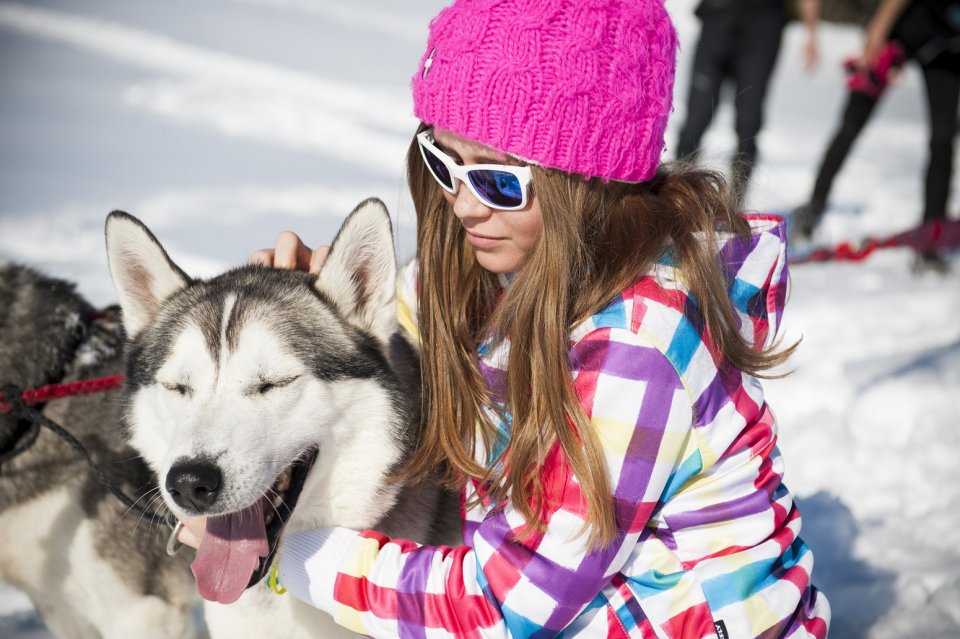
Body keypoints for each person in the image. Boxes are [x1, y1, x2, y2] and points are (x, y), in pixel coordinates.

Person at [181, 1, 831, 636]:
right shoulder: (513, 261)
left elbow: (501, 608)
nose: (463, 205)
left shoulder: (636, 347)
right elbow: (403, 314)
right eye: (443, 162)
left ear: (585, 183)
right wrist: (317, 308)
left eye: (498, 182)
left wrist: (293, 555)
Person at [792, 0, 960, 273]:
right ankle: (814, 206)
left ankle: (931, 237)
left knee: (942, 136)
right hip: (902, 28)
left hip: (946, 45)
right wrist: (877, 32)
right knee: (851, 124)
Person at [675, 0, 821, 206]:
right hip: (717, 17)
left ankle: (734, 208)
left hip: (762, 25)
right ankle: (678, 202)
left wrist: (812, 33)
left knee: (748, 125)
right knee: (694, 122)